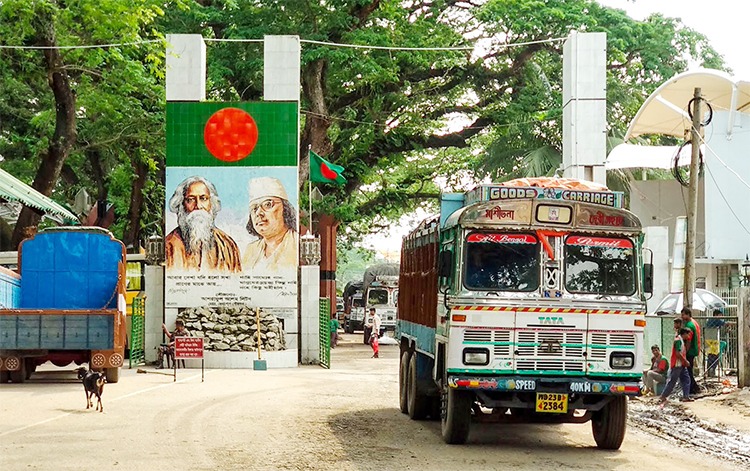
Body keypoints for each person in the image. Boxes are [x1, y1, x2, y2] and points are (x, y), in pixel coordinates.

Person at [166, 176, 242, 272]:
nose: (198, 206)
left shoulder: (228, 245)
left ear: (212, 203)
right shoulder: (169, 246)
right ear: (181, 205)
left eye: (203, 198)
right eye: (190, 200)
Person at [243, 177, 299, 270]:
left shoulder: (297, 244)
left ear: (285, 209)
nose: (258, 213)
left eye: (268, 205)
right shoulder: (251, 250)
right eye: (254, 209)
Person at [659, 320, 693, 407]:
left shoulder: (680, 340)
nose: (688, 336)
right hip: (677, 364)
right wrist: (685, 361)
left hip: (681, 365)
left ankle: (686, 396)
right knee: (672, 381)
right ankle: (663, 396)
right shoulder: (678, 340)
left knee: (686, 379)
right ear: (684, 334)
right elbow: (678, 354)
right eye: (687, 334)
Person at [681, 307, 702, 395]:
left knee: (688, 371)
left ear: (688, 314)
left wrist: (685, 352)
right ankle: (694, 387)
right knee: (689, 370)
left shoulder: (689, 325)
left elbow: (688, 340)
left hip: (691, 350)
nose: (682, 317)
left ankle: (693, 388)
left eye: (683, 315)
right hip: (695, 348)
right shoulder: (694, 322)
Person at [705, 309, 726, 377]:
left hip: (708, 340)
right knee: (716, 356)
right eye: (720, 316)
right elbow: (725, 323)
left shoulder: (710, 320)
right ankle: (712, 370)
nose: (721, 317)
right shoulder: (716, 319)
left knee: (710, 356)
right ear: (716, 315)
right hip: (713, 341)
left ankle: (709, 371)